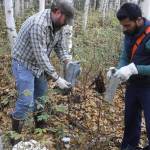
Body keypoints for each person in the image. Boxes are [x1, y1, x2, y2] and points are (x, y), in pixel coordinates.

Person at [10, 0, 74, 145]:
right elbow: (41, 56)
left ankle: (39, 130)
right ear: (57, 12)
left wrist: (67, 61)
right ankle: (14, 137)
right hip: (23, 64)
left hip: (39, 66)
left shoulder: (59, 26)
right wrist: (57, 78)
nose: (66, 23)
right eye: (65, 19)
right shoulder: (38, 24)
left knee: (41, 98)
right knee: (26, 101)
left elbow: (60, 47)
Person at [107, 3, 150, 150]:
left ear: (138, 20)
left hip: (148, 87)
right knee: (130, 121)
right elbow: (125, 56)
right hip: (133, 86)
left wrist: (135, 69)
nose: (124, 29)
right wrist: (118, 70)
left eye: (127, 25)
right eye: (122, 26)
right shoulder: (129, 34)